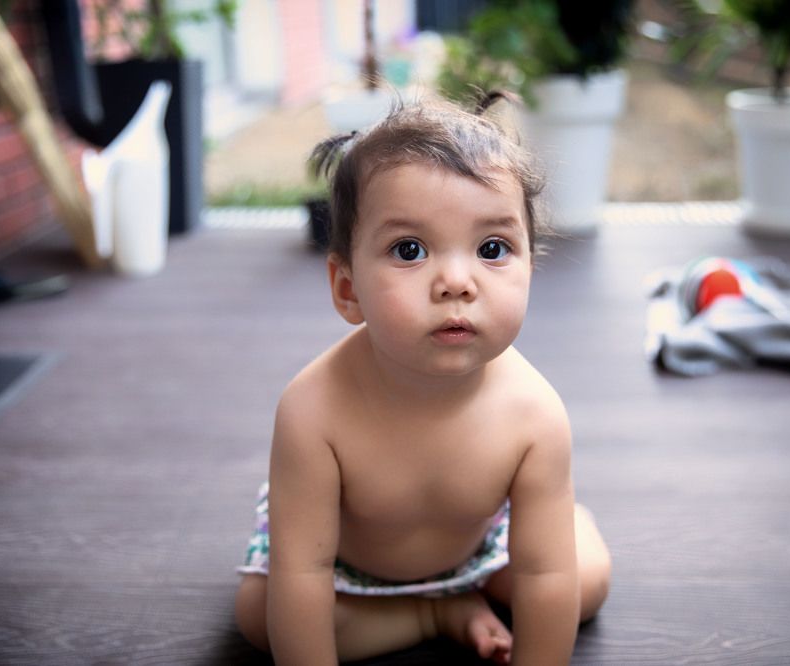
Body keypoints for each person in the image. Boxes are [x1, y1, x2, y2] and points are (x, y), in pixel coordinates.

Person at [234, 94, 611, 664]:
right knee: (261, 615)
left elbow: (543, 574)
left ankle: (555, 520)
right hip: (346, 570)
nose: (456, 281)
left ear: (530, 268)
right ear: (348, 289)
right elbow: (304, 572)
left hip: (478, 552)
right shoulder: (313, 410)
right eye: (409, 250)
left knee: (582, 580)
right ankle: (430, 613)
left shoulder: (534, 413)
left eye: (492, 248)